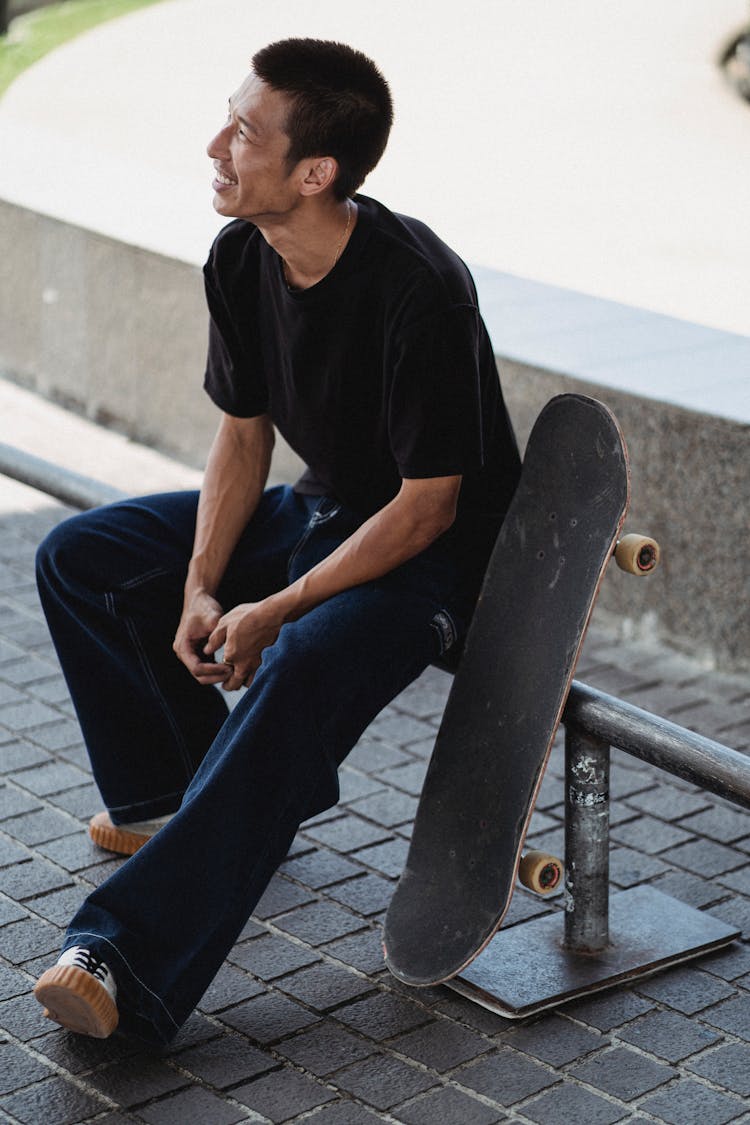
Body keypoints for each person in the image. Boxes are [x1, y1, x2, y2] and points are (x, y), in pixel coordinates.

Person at [32, 38, 521, 1044]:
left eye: (246, 131)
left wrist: (273, 610)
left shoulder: (419, 287)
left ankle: (124, 963)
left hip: (432, 564)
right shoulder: (241, 256)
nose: (217, 143)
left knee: (296, 661)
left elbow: (430, 508)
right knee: (85, 559)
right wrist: (204, 587)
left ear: (316, 173)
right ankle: (175, 798)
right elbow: (243, 435)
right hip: (327, 511)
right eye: (227, 115)